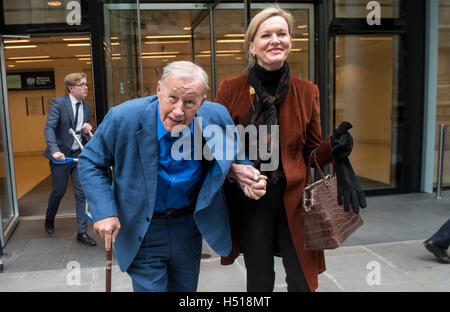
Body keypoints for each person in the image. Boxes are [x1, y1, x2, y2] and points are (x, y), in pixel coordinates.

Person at [78, 61, 267, 292]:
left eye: (189, 102)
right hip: (143, 229)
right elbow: (91, 161)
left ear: (201, 102)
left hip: (188, 228)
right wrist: (105, 212)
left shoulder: (214, 115)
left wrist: (243, 175)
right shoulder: (123, 118)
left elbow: (234, 154)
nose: (179, 111)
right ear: (159, 90)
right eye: (172, 98)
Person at [216, 7, 363, 292]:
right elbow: (217, 147)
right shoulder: (231, 90)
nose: (275, 40)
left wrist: (333, 146)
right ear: (252, 45)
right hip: (251, 200)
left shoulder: (307, 91)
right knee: (259, 282)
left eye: (282, 34)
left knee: (301, 281)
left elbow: (310, 153)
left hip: (296, 201)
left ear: (290, 41)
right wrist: (235, 169)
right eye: (266, 35)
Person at [43, 72, 96, 247]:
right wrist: (54, 151)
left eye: (86, 84)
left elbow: (83, 131)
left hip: (78, 156)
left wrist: (87, 128)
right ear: (71, 88)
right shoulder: (59, 103)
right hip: (61, 155)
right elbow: (50, 128)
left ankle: (82, 232)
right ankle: (49, 219)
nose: (86, 87)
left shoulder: (87, 105)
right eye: (81, 85)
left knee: (81, 193)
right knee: (58, 191)